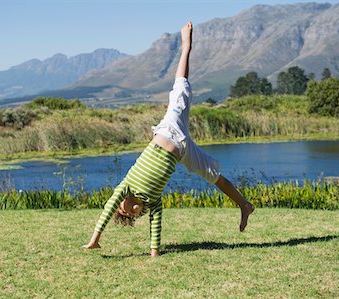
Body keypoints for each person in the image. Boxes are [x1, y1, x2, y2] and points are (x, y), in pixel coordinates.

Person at [83, 21, 254, 257]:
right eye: (130, 213)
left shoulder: (126, 187)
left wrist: (95, 238)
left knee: (179, 88)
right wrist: (154, 252)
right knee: (213, 175)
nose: (129, 208)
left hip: (169, 130)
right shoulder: (153, 201)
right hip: (182, 151)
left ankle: (186, 46)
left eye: (124, 208)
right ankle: (245, 204)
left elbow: (107, 209)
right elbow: (156, 226)